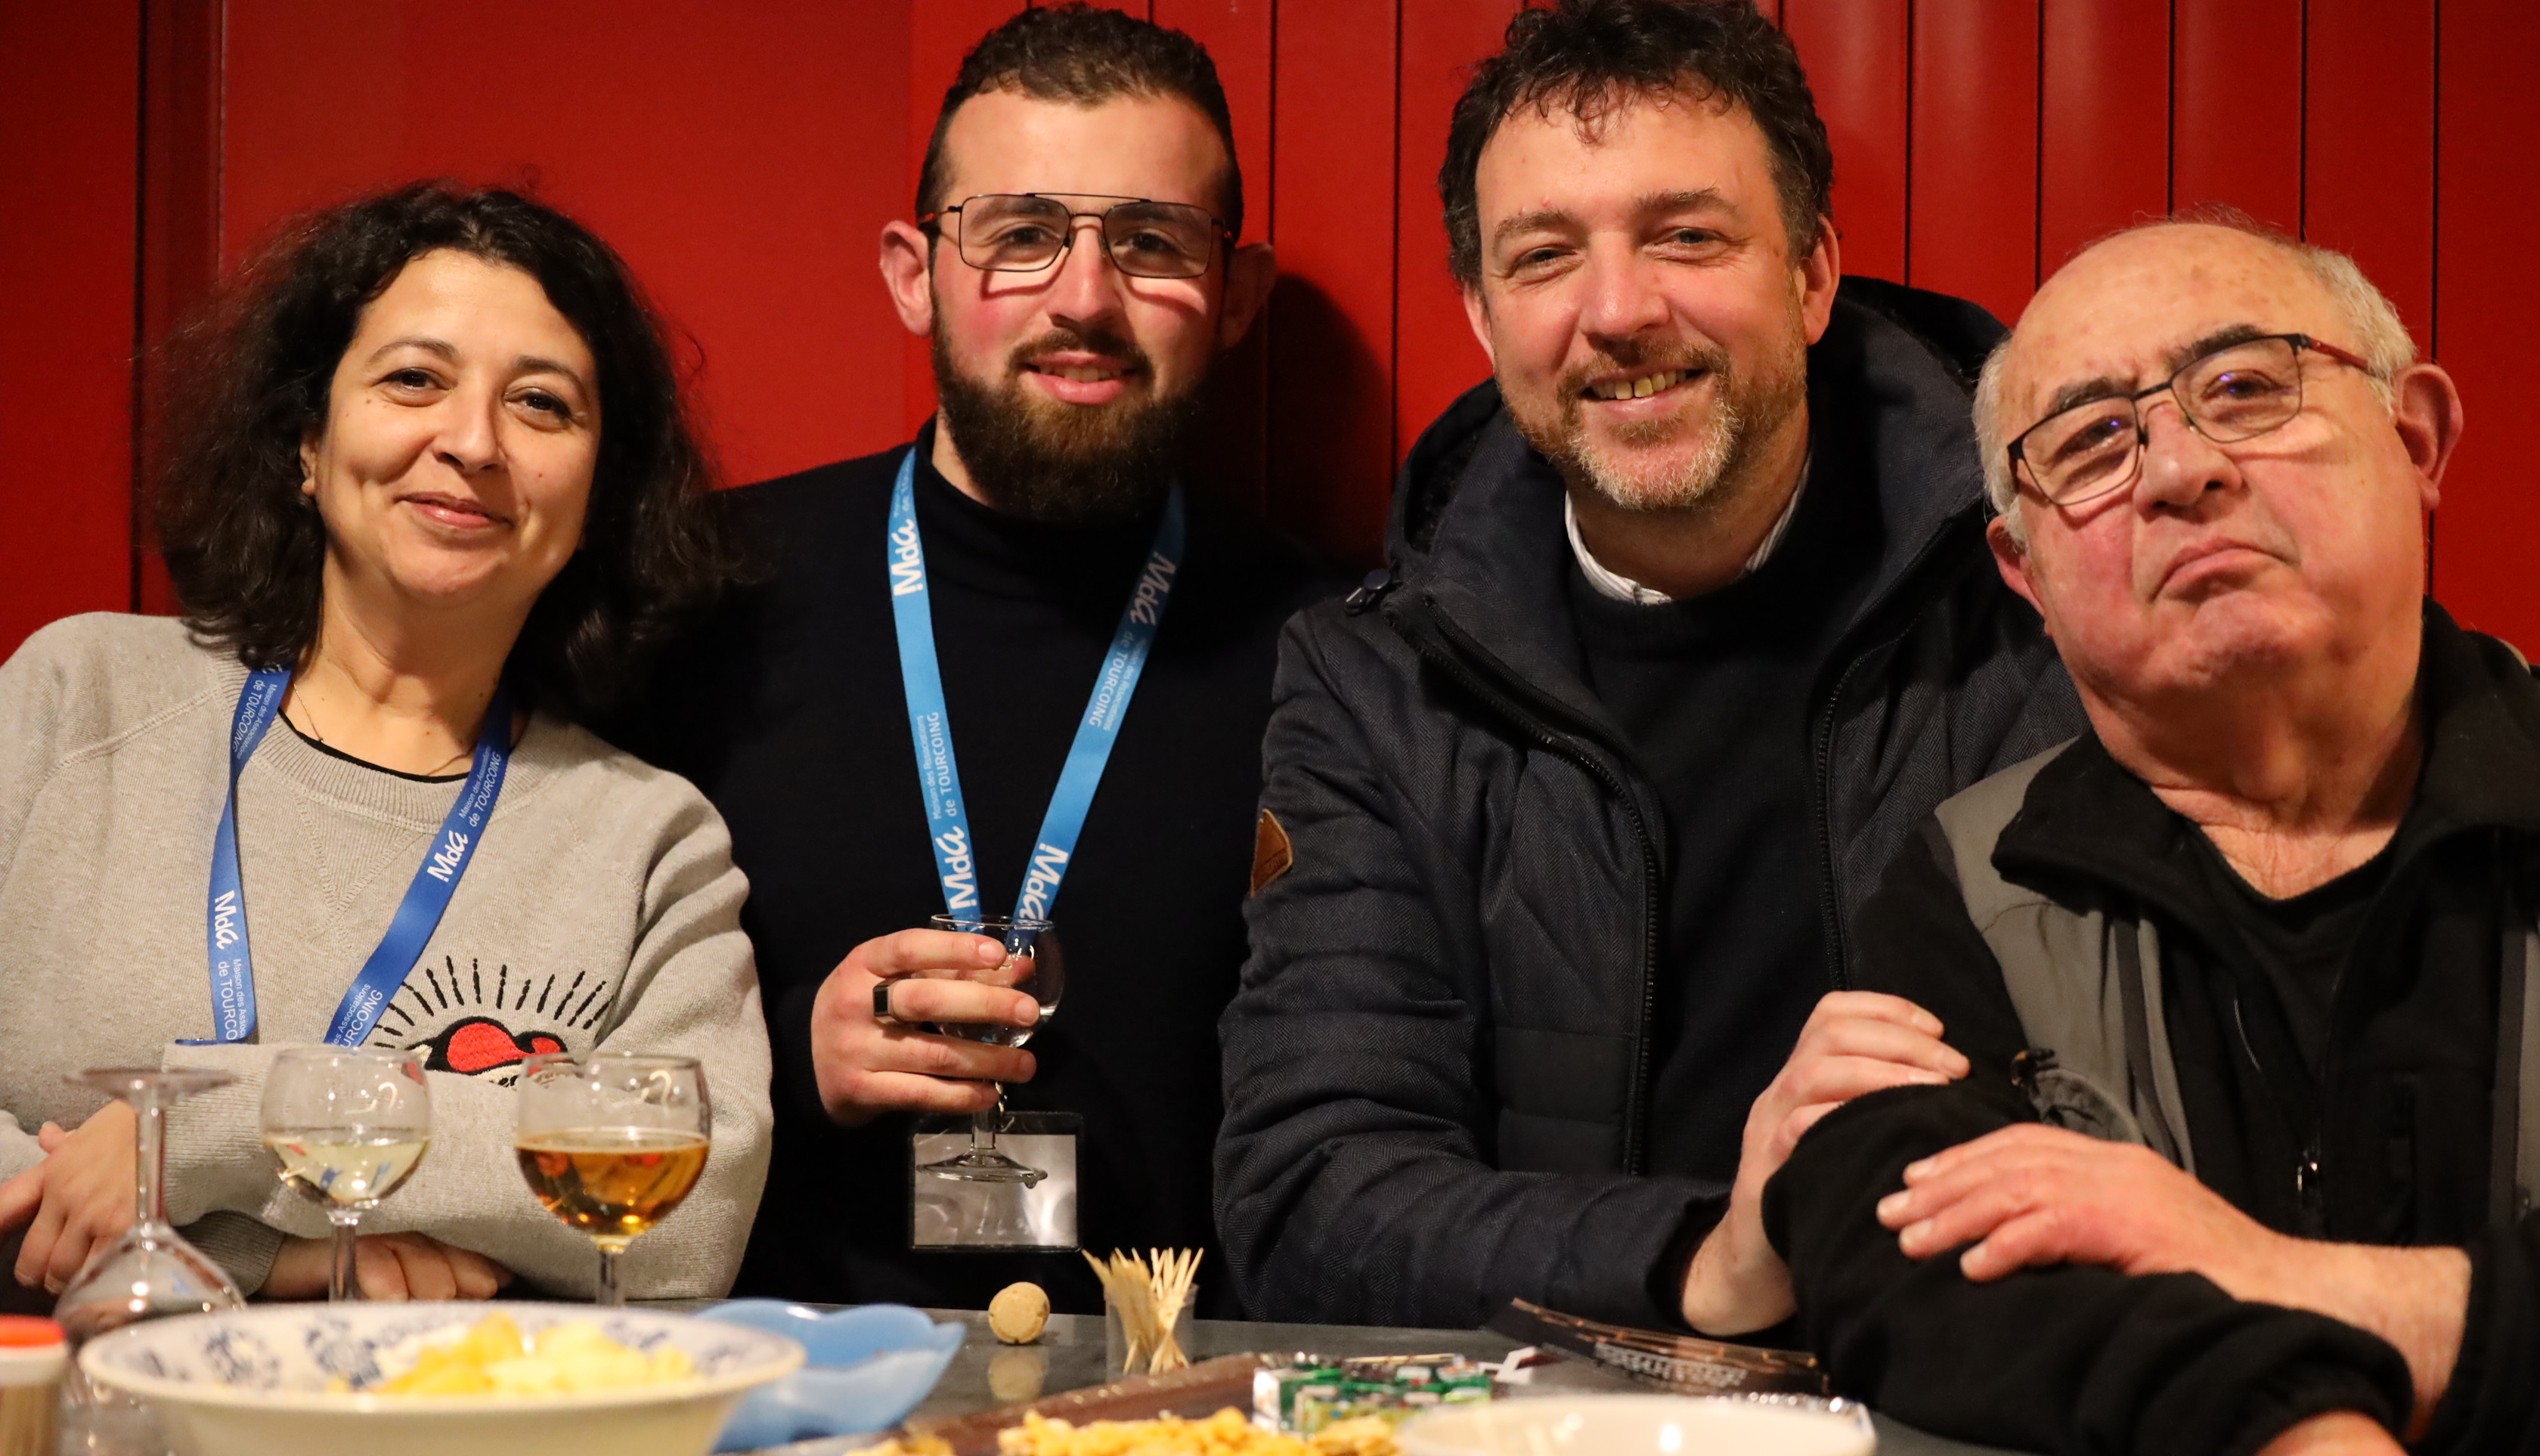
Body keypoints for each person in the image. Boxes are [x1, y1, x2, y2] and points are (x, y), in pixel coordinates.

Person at [1214, 0, 2082, 1334]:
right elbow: (1311, 1199)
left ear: (1811, 274)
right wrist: (1706, 1260)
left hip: (2000, 1387)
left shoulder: (2049, 587)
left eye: (1687, 236)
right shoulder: (1375, 683)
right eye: (1544, 257)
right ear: (1483, 315)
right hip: (1569, 1418)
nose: (1618, 312)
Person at [1769, 215, 2540, 1456]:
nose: (2182, 470)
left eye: (2246, 387)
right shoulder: (1967, 887)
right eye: (2091, 444)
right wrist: (2270, 1436)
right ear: (2024, 567)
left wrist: (2275, 1275)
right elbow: (1897, 1265)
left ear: (2417, 436)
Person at [612, 5, 1327, 1314]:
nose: (1085, 299)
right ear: (913, 273)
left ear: (1237, 296)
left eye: (1152, 242)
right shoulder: (691, 592)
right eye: (1020, 234)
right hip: (778, 1375)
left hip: (1196, 1403)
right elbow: (545, 1043)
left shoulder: (1340, 649)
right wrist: (781, 1057)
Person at [0, 183, 773, 1304]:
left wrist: (227, 1128)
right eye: (414, 379)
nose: (473, 442)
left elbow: (694, 1214)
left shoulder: (649, 839)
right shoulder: (79, 696)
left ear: (599, 494)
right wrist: (279, 1264)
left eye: (542, 404)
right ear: (307, 443)